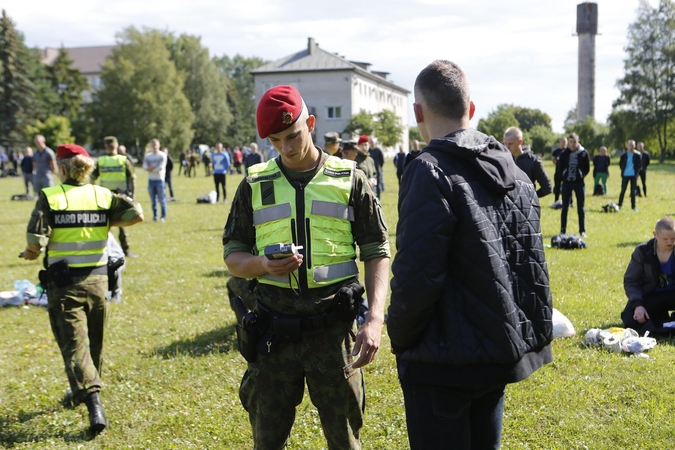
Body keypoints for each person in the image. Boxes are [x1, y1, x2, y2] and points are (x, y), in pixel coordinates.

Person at [387, 60, 553, 450]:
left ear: (417, 113)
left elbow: (416, 276)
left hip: (442, 364)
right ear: (471, 109)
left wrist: (400, 335)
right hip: (496, 354)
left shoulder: (428, 171)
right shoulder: (518, 175)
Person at [223, 85, 390, 449]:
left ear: (310, 123)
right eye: (276, 140)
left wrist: (374, 319)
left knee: (344, 440)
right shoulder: (254, 183)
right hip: (273, 333)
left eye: (293, 135)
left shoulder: (350, 179)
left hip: (333, 332)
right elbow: (232, 255)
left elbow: (377, 250)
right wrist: (262, 264)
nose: (286, 147)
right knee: (266, 441)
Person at [22, 144, 143, 433]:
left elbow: (35, 241)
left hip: (65, 284)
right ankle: (86, 389)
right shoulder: (102, 194)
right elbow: (136, 214)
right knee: (95, 341)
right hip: (99, 280)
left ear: (61, 168)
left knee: (74, 344)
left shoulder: (51, 196)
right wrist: (106, 223)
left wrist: (29, 254)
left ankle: (93, 402)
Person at [621, 217, 675, 335]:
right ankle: (666, 322)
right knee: (630, 321)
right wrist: (638, 305)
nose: (670, 242)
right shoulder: (643, 252)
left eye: (673, 238)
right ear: (655, 234)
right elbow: (631, 281)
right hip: (651, 294)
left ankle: (662, 323)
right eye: (665, 239)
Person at [91, 136, 138, 258]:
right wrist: (132, 197)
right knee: (123, 224)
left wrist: (93, 194)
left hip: (104, 197)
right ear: (116, 146)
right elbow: (132, 180)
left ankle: (103, 251)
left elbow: (92, 179)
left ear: (106, 146)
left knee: (104, 225)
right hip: (121, 197)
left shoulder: (101, 161)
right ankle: (125, 250)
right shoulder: (123, 160)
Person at [503, 126, 552, 198]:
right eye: (505, 143)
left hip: (525, 208)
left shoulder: (533, 161)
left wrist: (531, 199)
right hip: (506, 207)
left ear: (520, 142)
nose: (507, 147)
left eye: (510, 144)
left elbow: (547, 187)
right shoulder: (503, 159)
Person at [558, 133, 590, 236]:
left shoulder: (584, 153)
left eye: (574, 142)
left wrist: (581, 174)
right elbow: (559, 168)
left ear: (578, 141)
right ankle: (563, 231)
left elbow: (587, 168)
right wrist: (564, 175)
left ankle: (582, 231)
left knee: (581, 208)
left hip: (579, 183)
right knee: (564, 208)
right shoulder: (563, 154)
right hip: (567, 183)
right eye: (570, 142)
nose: (572, 144)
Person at [142, 138, 168, 222]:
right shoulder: (148, 156)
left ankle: (163, 216)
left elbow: (161, 167)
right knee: (153, 201)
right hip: (151, 180)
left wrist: (151, 168)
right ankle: (155, 217)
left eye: (155, 144)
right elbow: (144, 167)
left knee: (162, 199)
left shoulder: (162, 155)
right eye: (152, 144)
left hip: (159, 180)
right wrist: (151, 168)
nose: (154, 146)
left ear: (159, 145)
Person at [618, 140, 641, 212]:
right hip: (625, 175)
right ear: (627, 145)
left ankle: (633, 206)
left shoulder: (637, 155)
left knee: (633, 191)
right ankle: (619, 205)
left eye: (633, 145)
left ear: (634, 146)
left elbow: (639, 165)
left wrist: (636, 173)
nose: (631, 146)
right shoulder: (624, 155)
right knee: (623, 190)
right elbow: (620, 164)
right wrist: (623, 170)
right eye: (630, 145)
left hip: (633, 175)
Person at [551, 137, 568, 203]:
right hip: (558, 173)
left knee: (567, 188)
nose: (564, 143)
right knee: (557, 187)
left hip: (566, 173)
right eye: (563, 141)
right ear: (560, 142)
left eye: (565, 141)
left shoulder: (568, 151)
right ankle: (556, 201)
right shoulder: (556, 151)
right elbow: (553, 160)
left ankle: (569, 202)